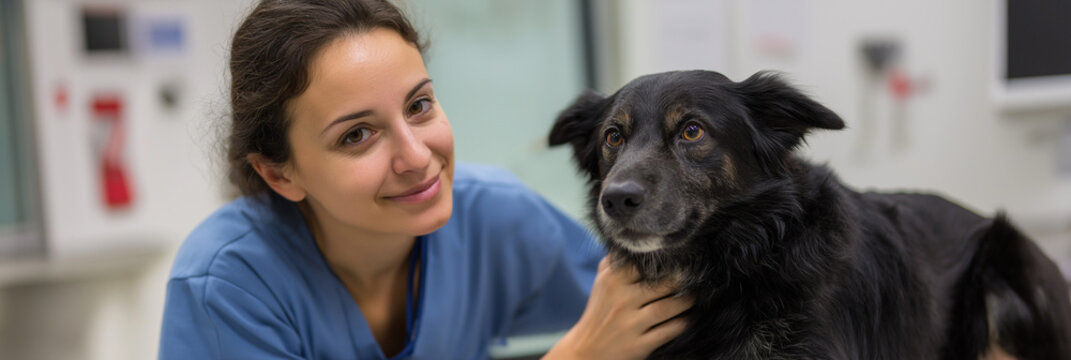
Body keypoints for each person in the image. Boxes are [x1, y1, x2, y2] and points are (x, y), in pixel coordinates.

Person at [158, 0, 691, 359]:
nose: (416, 157)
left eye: (419, 105)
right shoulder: (227, 286)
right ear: (279, 173)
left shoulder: (493, 218)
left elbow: (687, 289)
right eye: (357, 136)